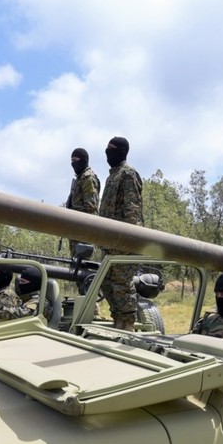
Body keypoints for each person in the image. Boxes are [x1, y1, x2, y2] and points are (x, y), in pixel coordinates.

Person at [98, 136, 143, 331]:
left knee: (122, 285)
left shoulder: (128, 174)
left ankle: (127, 325)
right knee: (106, 284)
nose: (107, 152)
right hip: (109, 244)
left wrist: (130, 241)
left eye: (111, 148)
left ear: (122, 151)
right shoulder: (112, 176)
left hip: (123, 244)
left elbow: (132, 210)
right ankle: (118, 320)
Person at [65, 148, 101, 256]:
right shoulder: (80, 179)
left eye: (75, 160)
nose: (73, 164)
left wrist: (74, 214)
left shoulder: (88, 178)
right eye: (71, 161)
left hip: (84, 232)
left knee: (83, 263)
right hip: (77, 231)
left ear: (83, 160)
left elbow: (91, 208)